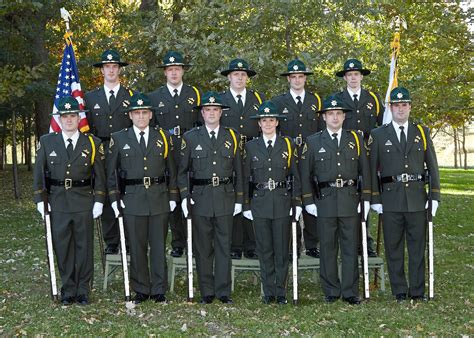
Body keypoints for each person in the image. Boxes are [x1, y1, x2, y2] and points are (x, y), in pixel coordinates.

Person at [369, 87, 440, 302]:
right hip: (390, 200)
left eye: (404, 105)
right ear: (391, 108)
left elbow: (433, 165)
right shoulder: (378, 135)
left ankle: (417, 291)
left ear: (409, 107)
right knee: (394, 247)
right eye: (396, 105)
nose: (400, 109)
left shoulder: (422, 132)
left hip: (418, 199)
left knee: (417, 247)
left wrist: (434, 196)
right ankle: (399, 290)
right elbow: (372, 169)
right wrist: (375, 198)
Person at [33, 96, 106, 305]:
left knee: (84, 246)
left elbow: (99, 175)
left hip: (83, 200)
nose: (69, 120)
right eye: (64, 116)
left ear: (78, 117)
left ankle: (83, 289)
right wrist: (40, 198)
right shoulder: (47, 142)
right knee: (63, 245)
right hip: (58, 201)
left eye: (72, 116)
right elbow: (39, 173)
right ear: (59, 119)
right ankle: (68, 288)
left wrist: (99, 200)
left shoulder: (92, 142)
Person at [107, 93, 178, 304]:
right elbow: (112, 172)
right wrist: (114, 198)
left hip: (158, 198)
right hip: (132, 199)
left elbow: (172, 170)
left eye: (144, 112)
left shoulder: (163, 137)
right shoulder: (119, 138)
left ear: (150, 115)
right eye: (136, 113)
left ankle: (158, 289)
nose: (140, 116)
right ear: (130, 115)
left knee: (158, 245)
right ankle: (140, 289)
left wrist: (173, 196)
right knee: (137, 247)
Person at [300, 95, 371, 305]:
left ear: (343, 117)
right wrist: (308, 201)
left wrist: (365, 198)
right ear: (324, 117)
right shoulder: (313, 142)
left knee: (350, 247)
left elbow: (365, 170)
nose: (334, 117)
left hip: (350, 199)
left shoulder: (356, 140)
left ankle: (350, 291)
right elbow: (305, 174)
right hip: (325, 201)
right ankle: (331, 290)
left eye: (338, 113)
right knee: (328, 248)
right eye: (330, 114)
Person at [178, 91, 243, 304]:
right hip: (201, 199)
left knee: (225, 245)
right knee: (203, 247)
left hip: (225, 197)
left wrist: (240, 200)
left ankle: (223, 291)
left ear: (221, 112)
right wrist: (185, 197)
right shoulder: (190, 137)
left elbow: (240, 171)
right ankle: (207, 291)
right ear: (202, 113)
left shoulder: (232, 136)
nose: (212, 113)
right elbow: (182, 171)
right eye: (208, 110)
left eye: (215, 109)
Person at [242, 101, 302, 305]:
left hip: (282, 202)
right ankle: (268, 292)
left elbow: (296, 175)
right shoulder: (250, 146)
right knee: (264, 249)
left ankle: (281, 291)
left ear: (277, 122)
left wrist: (297, 203)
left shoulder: (288, 144)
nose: (268, 123)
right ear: (259, 124)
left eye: (271, 120)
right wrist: (246, 204)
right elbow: (245, 178)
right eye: (264, 120)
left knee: (281, 249)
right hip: (260, 203)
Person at [148, 50, 202, 258]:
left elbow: (201, 123)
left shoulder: (194, 94)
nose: (173, 73)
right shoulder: (154, 97)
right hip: (168, 155)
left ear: (182, 72)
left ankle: (195, 240)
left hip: (192, 154)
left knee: (193, 198)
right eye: (170, 69)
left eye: (177, 69)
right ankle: (178, 242)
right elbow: (152, 129)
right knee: (173, 199)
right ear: (165, 73)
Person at [272, 59, 324, 258]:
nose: (297, 80)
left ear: (305, 79)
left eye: (300, 76)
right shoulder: (278, 102)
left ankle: (312, 244)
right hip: (289, 157)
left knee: (311, 196)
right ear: (288, 79)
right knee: (290, 198)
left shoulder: (316, 101)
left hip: (311, 157)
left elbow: (321, 130)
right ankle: (292, 243)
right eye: (293, 77)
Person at [84, 48, 133, 255]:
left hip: (126, 151)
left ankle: (130, 238)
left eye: (114, 66)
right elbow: (85, 129)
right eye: (107, 67)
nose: (111, 70)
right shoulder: (90, 97)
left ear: (119, 70)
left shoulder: (131, 96)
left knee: (127, 191)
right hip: (101, 152)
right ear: (102, 71)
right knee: (104, 193)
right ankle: (111, 239)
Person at [334, 58, 385, 257]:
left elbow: (383, 126)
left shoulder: (373, 99)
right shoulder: (337, 99)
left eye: (356, 74)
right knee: (346, 196)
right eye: (349, 74)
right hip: (345, 156)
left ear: (361, 76)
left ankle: (365, 240)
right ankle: (345, 240)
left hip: (369, 156)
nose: (353, 78)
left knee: (365, 196)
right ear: (345, 77)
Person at [220, 58, 265, 260]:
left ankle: (252, 244)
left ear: (247, 78)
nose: (239, 77)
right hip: (228, 153)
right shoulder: (220, 101)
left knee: (252, 194)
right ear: (229, 77)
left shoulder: (259, 99)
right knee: (233, 195)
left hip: (254, 151)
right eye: (235, 74)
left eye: (243, 74)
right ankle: (235, 244)